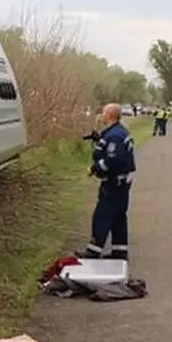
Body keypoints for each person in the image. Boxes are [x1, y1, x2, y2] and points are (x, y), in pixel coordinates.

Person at [76, 103, 136, 260]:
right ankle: (120, 251)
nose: (101, 116)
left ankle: (94, 250)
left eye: (103, 113)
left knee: (102, 215)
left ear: (109, 115)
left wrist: (95, 168)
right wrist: (99, 139)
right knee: (118, 216)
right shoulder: (116, 132)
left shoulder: (115, 135)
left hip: (114, 183)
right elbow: (111, 149)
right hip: (120, 183)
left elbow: (114, 159)